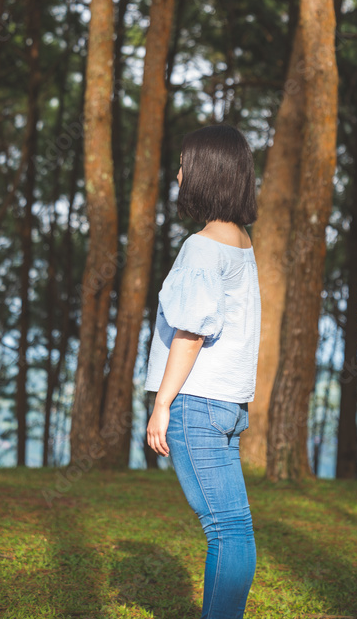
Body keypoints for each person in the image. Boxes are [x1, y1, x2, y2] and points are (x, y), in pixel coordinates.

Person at [144, 123, 261, 619]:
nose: (177, 174)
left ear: (206, 173)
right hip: (229, 405)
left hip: (197, 402)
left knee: (225, 528)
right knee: (235, 526)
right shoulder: (240, 242)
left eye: (184, 165)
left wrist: (162, 404)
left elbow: (190, 334)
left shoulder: (201, 246)